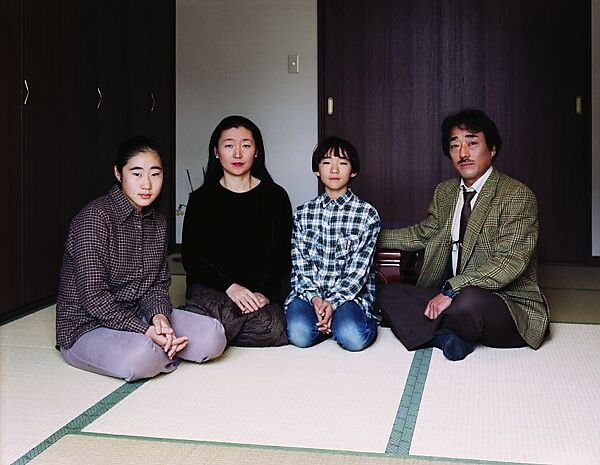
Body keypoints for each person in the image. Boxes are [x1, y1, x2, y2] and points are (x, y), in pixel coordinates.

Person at [377, 109, 550, 361]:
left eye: (472, 143)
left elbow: (508, 263)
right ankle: (446, 337)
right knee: (387, 294)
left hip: (504, 303)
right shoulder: (446, 192)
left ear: (492, 149)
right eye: (455, 145)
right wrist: (367, 236)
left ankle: (430, 327)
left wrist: (452, 289)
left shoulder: (516, 195)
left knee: (467, 303)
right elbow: (421, 234)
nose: (463, 153)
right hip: (451, 295)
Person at [55, 136, 227, 382]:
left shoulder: (158, 222)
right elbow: (93, 298)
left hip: (140, 313)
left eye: (155, 174)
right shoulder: (94, 219)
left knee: (213, 336)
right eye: (136, 174)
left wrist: (159, 318)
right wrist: (144, 331)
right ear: (118, 173)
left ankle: (160, 348)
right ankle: (156, 350)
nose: (147, 184)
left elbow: (157, 285)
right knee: (143, 356)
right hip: (87, 326)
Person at [181, 115, 292, 347]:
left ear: (257, 151)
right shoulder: (201, 199)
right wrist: (231, 288)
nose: (238, 154)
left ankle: (208, 332)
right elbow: (193, 259)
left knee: (273, 328)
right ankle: (208, 328)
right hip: (213, 289)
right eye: (229, 145)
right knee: (230, 314)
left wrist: (266, 294)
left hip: (257, 293)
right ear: (216, 151)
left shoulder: (276, 197)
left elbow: (282, 258)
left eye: (246, 145)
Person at [285, 136, 381, 351]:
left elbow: (359, 272)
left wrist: (333, 302)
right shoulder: (303, 213)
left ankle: (337, 324)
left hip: (349, 296)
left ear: (353, 171)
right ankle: (327, 324)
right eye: (327, 162)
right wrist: (316, 300)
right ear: (317, 170)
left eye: (343, 163)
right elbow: (300, 266)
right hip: (309, 295)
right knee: (299, 335)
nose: (334, 169)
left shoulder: (367, 214)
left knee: (352, 338)